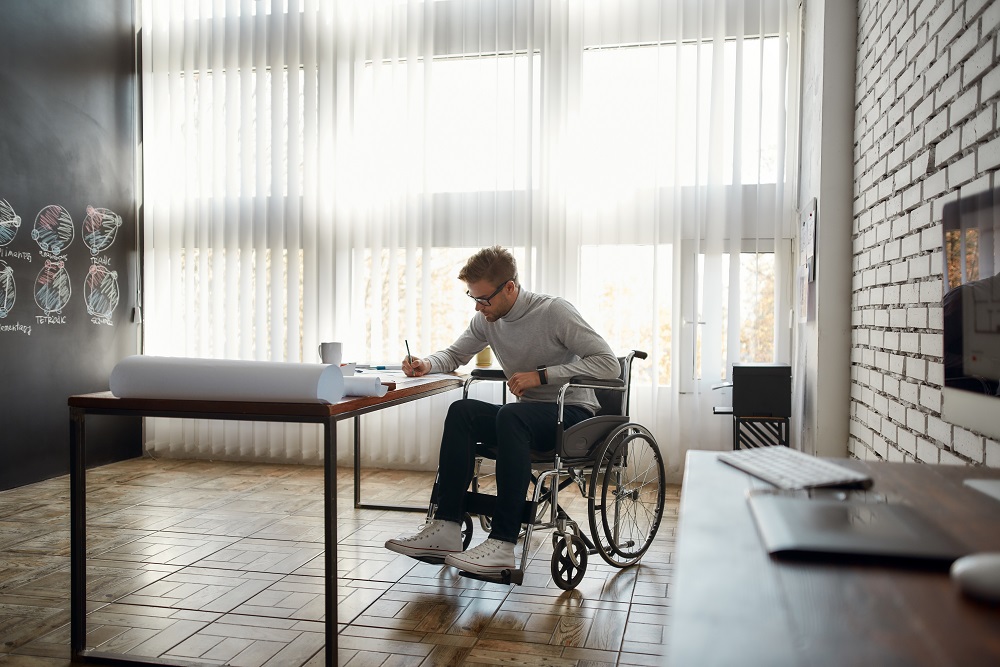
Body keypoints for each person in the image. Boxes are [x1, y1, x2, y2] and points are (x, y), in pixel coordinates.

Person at [384, 246, 620, 576]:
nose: (479, 307)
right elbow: (453, 355)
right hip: (526, 419)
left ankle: (503, 543)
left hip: (573, 413)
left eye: (484, 299)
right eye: (473, 298)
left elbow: (609, 365)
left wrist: (543, 376)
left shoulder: (554, 312)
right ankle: (446, 528)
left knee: (510, 415)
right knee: (462, 410)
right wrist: (425, 363)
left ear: (509, 287)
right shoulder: (488, 319)